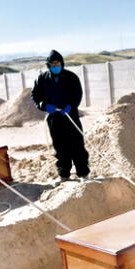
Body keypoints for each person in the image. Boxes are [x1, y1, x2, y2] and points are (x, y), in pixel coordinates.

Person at [31, 50, 90, 184]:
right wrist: (43, 105)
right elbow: (35, 96)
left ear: (62, 63)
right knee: (60, 148)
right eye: (53, 64)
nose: (56, 66)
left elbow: (77, 94)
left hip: (70, 116)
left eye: (58, 63)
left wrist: (71, 106)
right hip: (54, 118)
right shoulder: (42, 79)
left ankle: (83, 174)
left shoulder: (71, 77)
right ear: (48, 65)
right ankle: (64, 175)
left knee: (77, 146)